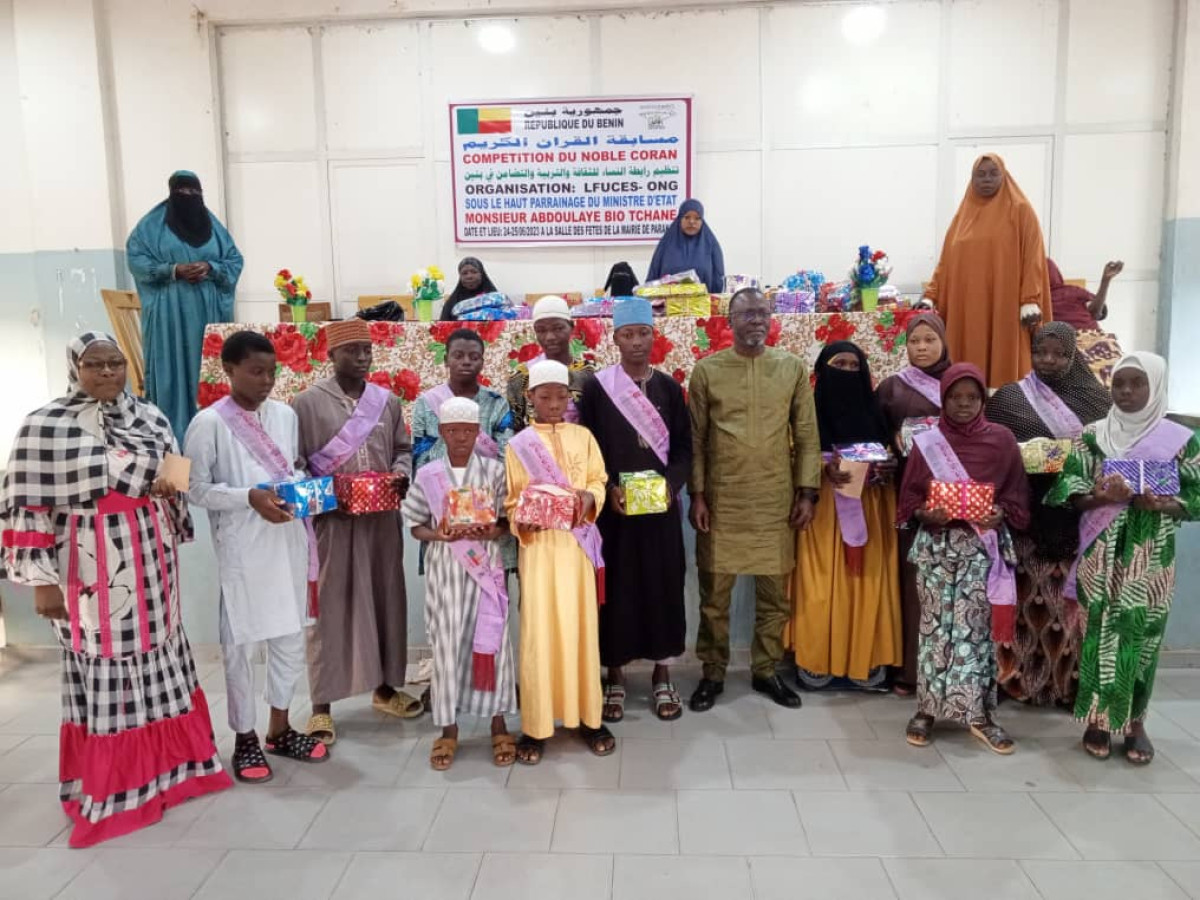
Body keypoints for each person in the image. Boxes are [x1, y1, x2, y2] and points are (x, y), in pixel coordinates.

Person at [0, 333, 230, 847]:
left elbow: (174, 465)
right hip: (86, 565)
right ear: (74, 367)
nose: (107, 373)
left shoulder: (148, 416)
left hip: (151, 555)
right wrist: (40, 585)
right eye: (94, 364)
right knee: (105, 661)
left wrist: (172, 485)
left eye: (115, 363)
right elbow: (27, 507)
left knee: (161, 655)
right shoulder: (45, 426)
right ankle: (118, 788)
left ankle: (174, 773)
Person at [185, 330, 328, 784]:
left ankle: (280, 729)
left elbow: (292, 466)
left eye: (272, 371)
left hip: (286, 544)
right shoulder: (208, 424)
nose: (266, 380)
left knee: (288, 639)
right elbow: (195, 489)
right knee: (242, 648)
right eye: (256, 371)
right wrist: (248, 496)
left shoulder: (284, 415)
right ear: (228, 371)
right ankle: (244, 737)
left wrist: (303, 491)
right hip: (244, 554)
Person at [1045, 353, 1200, 765]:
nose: (1127, 392)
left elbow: (1197, 495)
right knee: (1097, 632)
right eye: (1119, 384)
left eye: (1137, 383)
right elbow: (1068, 489)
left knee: (1143, 636)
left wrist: (1164, 505)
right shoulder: (1093, 436)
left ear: (1156, 386)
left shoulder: (1180, 439)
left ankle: (1135, 723)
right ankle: (1096, 720)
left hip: (1151, 555)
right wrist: (1102, 497)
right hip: (1101, 550)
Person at [687, 288, 821, 712]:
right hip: (723, 500)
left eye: (762, 313)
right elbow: (697, 440)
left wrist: (808, 491)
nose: (756, 320)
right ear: (730, 321)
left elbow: (805, 433)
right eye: (746, 314)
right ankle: (712, 673)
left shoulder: (791, 368)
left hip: (774, 498)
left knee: (774, 597)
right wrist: (698, 495)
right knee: (714, 598)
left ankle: (765, 671)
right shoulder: (707, 371)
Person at [291, 319, 415, 744]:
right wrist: (330, 494)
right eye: (352, 351)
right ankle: (322, 706)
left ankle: (385, 688)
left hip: (382, 522)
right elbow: (296, 465)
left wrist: (399, 475)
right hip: (333, 523)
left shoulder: (387, 402)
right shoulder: (305, 403)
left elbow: (402, 450)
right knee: (329, 606)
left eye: (367, 350)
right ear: (331, 355)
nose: (362, 358)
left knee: (386, 600)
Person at [897, 363, 1029, 754]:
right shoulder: (927, 442)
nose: (964, 405)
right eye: (956, 397)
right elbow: (909, 500)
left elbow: (1016, 495)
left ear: (983, 400)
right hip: (937, 548)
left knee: (975, 632)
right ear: (944, 398)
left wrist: (1000, 513)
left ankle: (980, 715)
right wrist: (925, 514)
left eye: (972, 398)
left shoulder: (1002, 440)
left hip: (981, 547)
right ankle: (926, 709)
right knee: (935, 630)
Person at [985, 322, 1112, 705]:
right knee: (1026, 601)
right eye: (1041, 352)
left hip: (1077, 515)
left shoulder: (1098, 401)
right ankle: (1015, 679)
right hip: (1027, 513)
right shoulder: (1010, 398)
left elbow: (1108, 454)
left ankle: (1068, 686)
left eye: (1059, 353)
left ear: (1074, 355)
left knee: (1069, 607)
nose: (1049, 360)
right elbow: (992, 448)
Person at [579, 297, 692, 723]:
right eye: (628, 334)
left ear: (653, 335)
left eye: (643, 332)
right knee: (619, 591)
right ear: (616, 338)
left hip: (661, 510)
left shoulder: (668, 389)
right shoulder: (597, 387)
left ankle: (664, 674)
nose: (637, 342)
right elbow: (587, 446)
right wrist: (608, 489)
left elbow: (684, 446)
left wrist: (671, 484)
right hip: (615, 513)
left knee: (664, 586)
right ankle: (616, 675)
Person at [505, 360, 614, 764]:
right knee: (540, 633)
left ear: (570, 398)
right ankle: (535, 727)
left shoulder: (584, 437)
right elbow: (513, 500)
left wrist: (590, 499)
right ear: (530, 397)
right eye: (544, 396)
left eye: (560, 396)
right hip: (540, 552)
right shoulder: (519, 444)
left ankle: (589, 717)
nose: (553, 403)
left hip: (577, 549)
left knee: (581, 629)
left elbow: (598, 481)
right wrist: (525, 517)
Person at [403, 397, 517, 770]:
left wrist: (492, 529)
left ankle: (498, 724)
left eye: (468, 431)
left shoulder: (495, 471)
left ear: (477, 432)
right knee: (448, 646)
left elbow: (504, 522)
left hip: (485, 567)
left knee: (493, 645)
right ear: (442, 433)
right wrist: (439, 535)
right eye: (453, 431)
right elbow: (416, 525)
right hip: (446, 572)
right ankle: (448, 730)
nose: (461, 438)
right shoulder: (428, 474)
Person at [790, 341, 902, 692]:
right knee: (819, 587)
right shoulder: (806, 411)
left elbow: (892, 455)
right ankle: (816, 658)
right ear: (822, 372)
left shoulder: (876, 412)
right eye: (840, 365)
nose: (849, 373)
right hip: (821, 512)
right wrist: (822, 470)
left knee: (868, 584)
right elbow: (789, 453)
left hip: (870, 510)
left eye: (856, 367)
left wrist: (885, 469)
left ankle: (865, 659)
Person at [127, 171, 244, 440]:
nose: (188, 198)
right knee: (174, 371)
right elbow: (136, 261)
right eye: (182, 193)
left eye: (194, 193)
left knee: (210, 367)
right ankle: (172, 436)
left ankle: (217, 435)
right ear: (171, 194)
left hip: (207, 313)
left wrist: (211, 267)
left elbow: (234, 260)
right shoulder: (150, 226)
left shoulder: (213, 227)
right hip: (170, 317)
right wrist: (173, 270)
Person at [924, 154, 1051, 389]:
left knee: (1006, 365)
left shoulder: (1021, 210)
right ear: (971, 180)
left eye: (993, 173)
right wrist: (930, 295)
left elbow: (1033, 258)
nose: (987, 179)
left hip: (1007, 305)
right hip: (967, 307)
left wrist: (1029, 300)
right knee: (966, 367)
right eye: (980, 175)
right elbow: (946, 263)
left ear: (1004, 176)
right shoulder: (962, 217)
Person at [875, 313, 952, 693]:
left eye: (929, 340)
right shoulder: (892, 388)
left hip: (954, 496)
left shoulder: (961, 382)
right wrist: (890, 448)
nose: (921, 348)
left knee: (951, 584)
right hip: (908, 493)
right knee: (910, 579)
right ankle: (907, 670)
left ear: (943, 341)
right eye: (914, 341)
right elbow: (875, 437)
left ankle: (950, 669)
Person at [412, 328, 516, 472]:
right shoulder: (426, 402)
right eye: (458, 356)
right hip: (437, 484)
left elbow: (504, 456)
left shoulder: (496, 403)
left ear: (482, 362)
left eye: (474, 357)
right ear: (446, 360)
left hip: (484, 486)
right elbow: (419, 456)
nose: (466, 362)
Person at [506, 296, 596, 430]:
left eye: (558, 328)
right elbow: (514, 428)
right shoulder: (521, 376)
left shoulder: (589, 373)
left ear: (571, 327)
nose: (550, 337)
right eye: (541, 330)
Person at [645, 198, 725, 294]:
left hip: (702, 306)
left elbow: (718, 280)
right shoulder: (666, 245)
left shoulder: (711, 246)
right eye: (687, 217)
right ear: (680, 219)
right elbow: (652, 279)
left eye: (697, 218)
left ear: (702, 221)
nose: (691, 221)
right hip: (668, 306)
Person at [1049, 258, 1124, 332]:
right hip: (1063, 340)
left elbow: (1095, 313)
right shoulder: (1040, 300)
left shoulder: (1073, 290)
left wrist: (1106, 280)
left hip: (1091, 335)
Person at [440, 257, 499, 321]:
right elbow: (443, 324)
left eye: (474, 272)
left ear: (482, 274)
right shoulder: (452, 302)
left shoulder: (494, 299)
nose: (469, 276)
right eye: (464, 273)